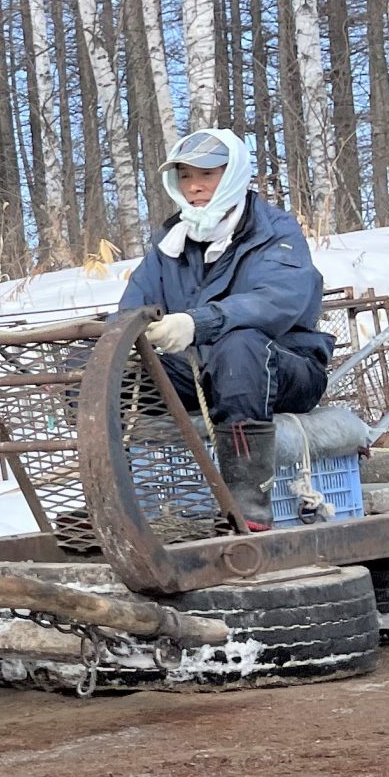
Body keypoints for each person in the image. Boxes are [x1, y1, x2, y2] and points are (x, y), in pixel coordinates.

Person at [118, 129, 338, 529]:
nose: (194, 186)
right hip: (201, 371)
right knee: (96, 367)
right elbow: (133, 305)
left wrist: (196, 323)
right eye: (184, 176)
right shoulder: (171, 243)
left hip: (283, 368)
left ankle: (246, 504)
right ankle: (120, 506)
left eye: (207, 174)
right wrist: (132, 336)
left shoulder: (275, 232)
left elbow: (276, 301)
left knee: (239, 347)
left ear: (234, 174)